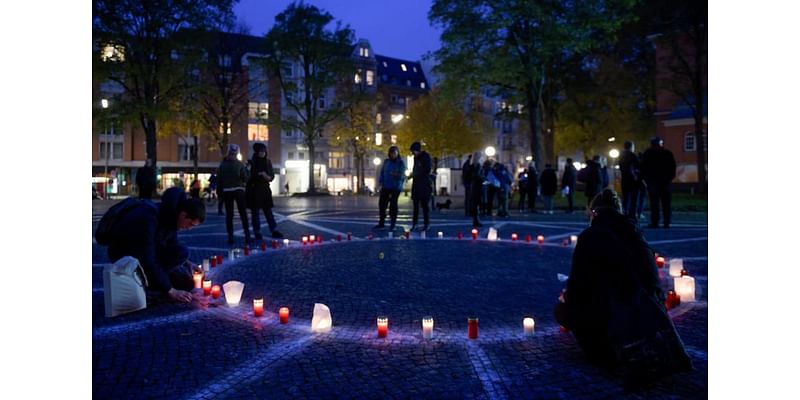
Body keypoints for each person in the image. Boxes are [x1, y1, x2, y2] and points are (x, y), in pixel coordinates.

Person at [553, 189, 692, 386]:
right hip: (652, 316)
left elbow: (577, 288)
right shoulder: (635, 233)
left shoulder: (591, 236)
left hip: (617, 319)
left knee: (562, 311)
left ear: (593, 213)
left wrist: (568, 298)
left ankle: (602, 351)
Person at [105, 187, 206, 303]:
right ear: (183, 215)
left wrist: (188, 264)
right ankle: (149, 287)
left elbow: (171, 245)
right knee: (182, 254)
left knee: (186, 282)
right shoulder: (148, 218)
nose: (189, 228)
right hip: (126, 257)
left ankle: (158, 283)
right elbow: (147, 259)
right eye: (190, 224)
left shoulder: (170, 216)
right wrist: (170, 290)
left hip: (145, 253)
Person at [247, 142, 284, 240]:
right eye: (261, 151)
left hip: (265, 190)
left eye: (264, 151)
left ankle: (274, 230)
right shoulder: (252, 162)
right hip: (254, 190)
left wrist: (265, 175)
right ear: (257, 151)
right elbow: (248, 176)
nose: (263, 153)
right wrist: (258, 175)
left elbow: (271, 176)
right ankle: (257, 232)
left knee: (268, 211)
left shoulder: (267, 162)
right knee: (255, 213)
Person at [640, 137, 677, 228]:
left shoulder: (648, 153)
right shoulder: (667, 153)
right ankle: (666, 222)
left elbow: (643, 168)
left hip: (653, 182)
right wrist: (669, 178)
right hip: (665, 182)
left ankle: (655, 222)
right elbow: (673, 168)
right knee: (666, 204)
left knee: (654, 204)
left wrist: (646, 180)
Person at [218, 144, 251, 244]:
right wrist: (248, 169)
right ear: (237, 153)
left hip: (227, 191)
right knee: (243, 214)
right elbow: (245, 178)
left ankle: (230, 237)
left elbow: (220, 180)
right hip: (239, 190)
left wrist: (220, 193)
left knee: (229, 215)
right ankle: (247, 236)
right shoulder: (239, 164)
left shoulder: (222, 165)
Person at [374, 145, 406, 230]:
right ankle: (381, 223)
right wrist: (381, 182)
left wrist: (396, 175)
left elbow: (402, 175)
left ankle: (393, 224)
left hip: (395, 187)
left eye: (395, 153)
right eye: (391, 153)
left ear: (397, 153)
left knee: (393, 205)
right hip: (386, 186)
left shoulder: (400, 163)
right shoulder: (386, 162)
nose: (393, 155)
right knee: (382, 204)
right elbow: (382, 172)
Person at [409, 142, 433, 231]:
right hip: (417, 184)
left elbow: (427, 170)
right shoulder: (416, 158)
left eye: (413, 151)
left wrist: (416, 174)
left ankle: (427, 224)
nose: (412, 153)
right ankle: (414, 224)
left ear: (417, 150)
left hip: (424, 185)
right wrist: (412, 175)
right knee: (415, 206)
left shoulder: (425, 157)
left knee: (425, 206)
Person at [618, 141, 642, 218]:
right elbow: (638, 166)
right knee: (634, 199)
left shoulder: (621, 156)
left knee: (625, 198)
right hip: (633, 180)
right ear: (631, 147)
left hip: (624, 179)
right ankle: (632, 214)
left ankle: (624, 213)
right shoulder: (632, 155)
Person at [467, 152, 485, 227]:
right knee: (476, 202)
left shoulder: (471, 165)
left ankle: (476, 219)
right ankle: (476, 219)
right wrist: (483, 179)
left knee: (475, 203)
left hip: (473, 185)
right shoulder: (477, 165)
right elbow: (477, 175)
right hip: (477, 186)